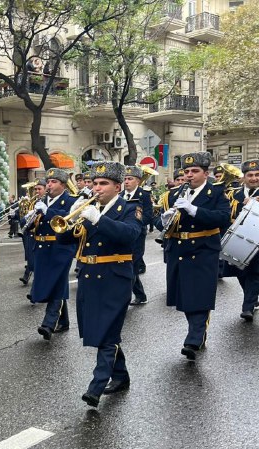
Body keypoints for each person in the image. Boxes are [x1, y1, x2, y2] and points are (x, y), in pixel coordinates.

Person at [58, 162, 142, 408]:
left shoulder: (129, 208)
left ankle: (95, 387)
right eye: (94, 183)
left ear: (117, 186)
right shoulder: (89, 208)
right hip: (89, 276)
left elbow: (129, 235)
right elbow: (64, 239)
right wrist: (71, 218)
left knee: (107, 333)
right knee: (102, 330)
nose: (97, 188)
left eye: (103, 183)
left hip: (115, 277)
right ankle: (121, 375)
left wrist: (98, 220)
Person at [154, 152, 231, 360]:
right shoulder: (172, 194)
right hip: (179, 249)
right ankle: (197, 331)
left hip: (203, 249)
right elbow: (159, 224)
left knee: (200, 294)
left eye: (195, 171)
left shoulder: (215, 192)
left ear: (205, 173)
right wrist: (163, 219)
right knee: (186, 296)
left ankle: (194, 338)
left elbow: (224, 218)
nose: (189, 175)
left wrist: (194, 210)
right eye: (187, 171)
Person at [24, 168, 76, 339]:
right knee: (56, 283)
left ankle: (48, 323)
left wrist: (47, 212)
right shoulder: (41, 201)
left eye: (54, 182)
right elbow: (32, 226)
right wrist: (28, 219)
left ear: (62, 184)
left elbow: (69, 217)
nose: (49, 185)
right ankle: (64, 321)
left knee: (58, 283)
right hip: (41, 247)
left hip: (60, 247)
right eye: (48, 182)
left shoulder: (71, 200)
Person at [222, 159, 259, 321]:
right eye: (250, 175)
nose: (254, 178)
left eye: (257, 175)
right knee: (241, 273)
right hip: (237, 242)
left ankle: (248, 306)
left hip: (257, 242)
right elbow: (224, 215)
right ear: (243, 177)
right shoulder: (232, 194)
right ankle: (252, 297)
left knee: (255, 273)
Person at [122, 165, 153, 305]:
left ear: (138, 181)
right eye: (125, 178)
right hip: (123, 234)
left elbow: (148, 215)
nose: (126, 181)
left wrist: (136, 224)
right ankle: (140, 295)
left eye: (130, 178)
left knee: (132, 264)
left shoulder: (144, 195)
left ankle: (125, 298)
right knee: (128, 265)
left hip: (137, 235)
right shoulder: (120, 195)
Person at [19, 180, 44, 286]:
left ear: (45, 189)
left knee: (38, 262)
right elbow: (24, 220)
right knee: (30, 256)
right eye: (35, 189)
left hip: (41, 234)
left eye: (39, 189)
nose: (37, 191)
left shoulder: (47, 202)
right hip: (30, 233)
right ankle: (28, 275)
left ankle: (34, 284)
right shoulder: (32, 202)